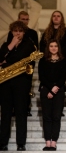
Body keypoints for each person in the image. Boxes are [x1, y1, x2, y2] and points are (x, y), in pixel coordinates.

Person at [0, 21, 36, 151]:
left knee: (21, 113)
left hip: (22, 82)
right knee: (5, 113)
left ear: (24, 32)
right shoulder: (6, 45)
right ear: (11, 32)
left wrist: (6, 61)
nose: (17, 33)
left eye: (20, 31)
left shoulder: (29, 45)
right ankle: (3, 142)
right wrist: (11, 46)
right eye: (15, 31)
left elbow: (23, 60)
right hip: (5, 83)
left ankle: (21, 143)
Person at [7, 11, 39, 117]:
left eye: (26, 19)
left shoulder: (33, 33)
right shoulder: (11, 33)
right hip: (14, 66)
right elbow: (9, 50)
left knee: (27, 87)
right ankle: (12, 108)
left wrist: (31, 64)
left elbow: (35, 50)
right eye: (23, 19)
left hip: (27, 64)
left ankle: (26, 108)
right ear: (18, 19)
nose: (25, 21)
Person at [38, 39, 66, 151]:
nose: (54, 48)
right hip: (45, 89)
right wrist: (51, 89)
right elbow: (42, 77)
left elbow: (63, 77)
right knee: (47, 117)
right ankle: (47, 142)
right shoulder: (43, 60)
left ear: (58, 47)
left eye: (56, 46)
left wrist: (55, 89)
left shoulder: (64, 60)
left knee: (56, 117)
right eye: (51, 46)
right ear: (48, 48)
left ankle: (54, 142)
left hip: (59, 90)